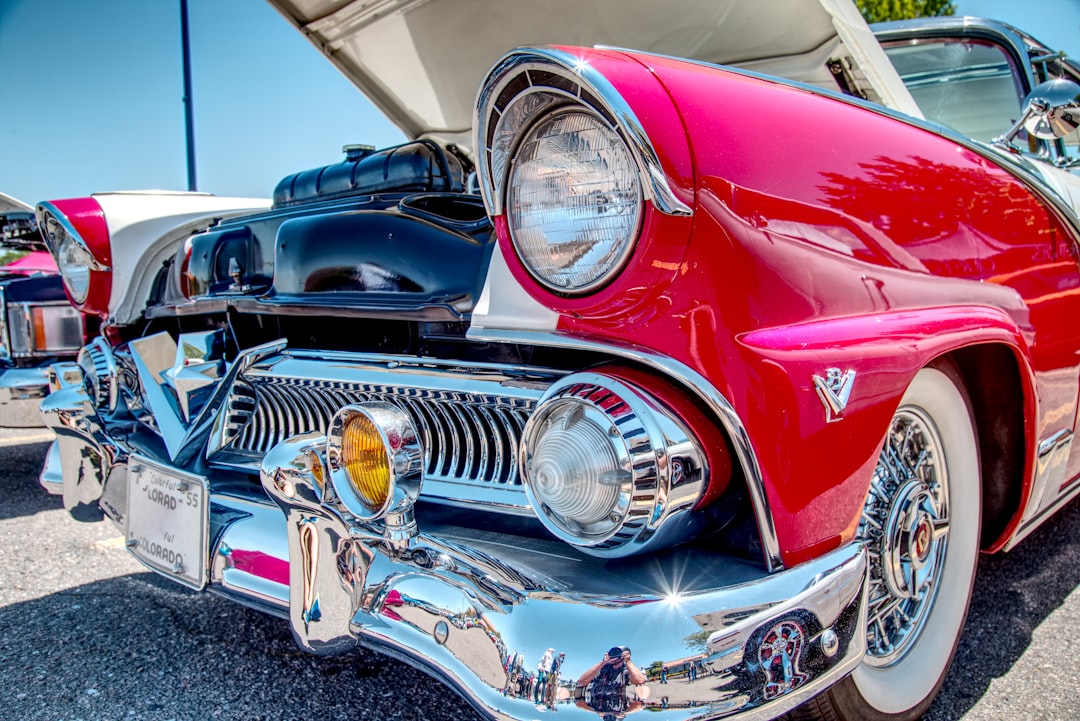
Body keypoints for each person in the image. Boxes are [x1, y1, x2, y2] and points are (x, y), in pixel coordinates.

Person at [576, 646, 646, 715]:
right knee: (579, 704)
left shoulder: (626, 670)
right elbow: (581, 682)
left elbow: (640, 680)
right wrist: (602, 662)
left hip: (617, 703)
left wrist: (628, 661)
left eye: (618, 652)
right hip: (595, 701)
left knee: (639, 706)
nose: (615, 655)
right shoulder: (601, 668)